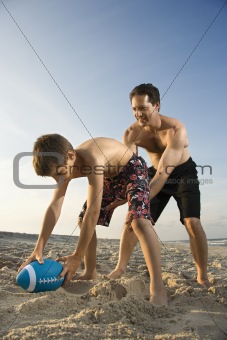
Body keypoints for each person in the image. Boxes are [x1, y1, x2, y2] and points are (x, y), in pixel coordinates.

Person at [18, 133, 168, 305]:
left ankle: (158, 286)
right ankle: (90, 272)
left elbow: (93, 211)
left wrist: (77, 256)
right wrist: (38, 248)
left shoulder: (92, 158)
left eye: (59, 173)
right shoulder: (64, 165)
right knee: (82, 220)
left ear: (71, 156)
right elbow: (55, 206)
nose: (58, 180)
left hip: (132, 169)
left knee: (138, 221)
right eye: (53, 176)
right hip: (108, 177)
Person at [108, 83, 210, 287]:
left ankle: (202, 275)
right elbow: (132, 169)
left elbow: (165, 172)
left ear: (156, 106)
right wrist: (124, 197)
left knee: (192, 222)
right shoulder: (131, 133)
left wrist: (139, 200)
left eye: (143, 108)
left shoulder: (175, 129)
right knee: (133, 219)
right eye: (134, 109)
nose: (138, 114)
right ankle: (120, 268)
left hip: (181, 173)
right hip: (154, 173)